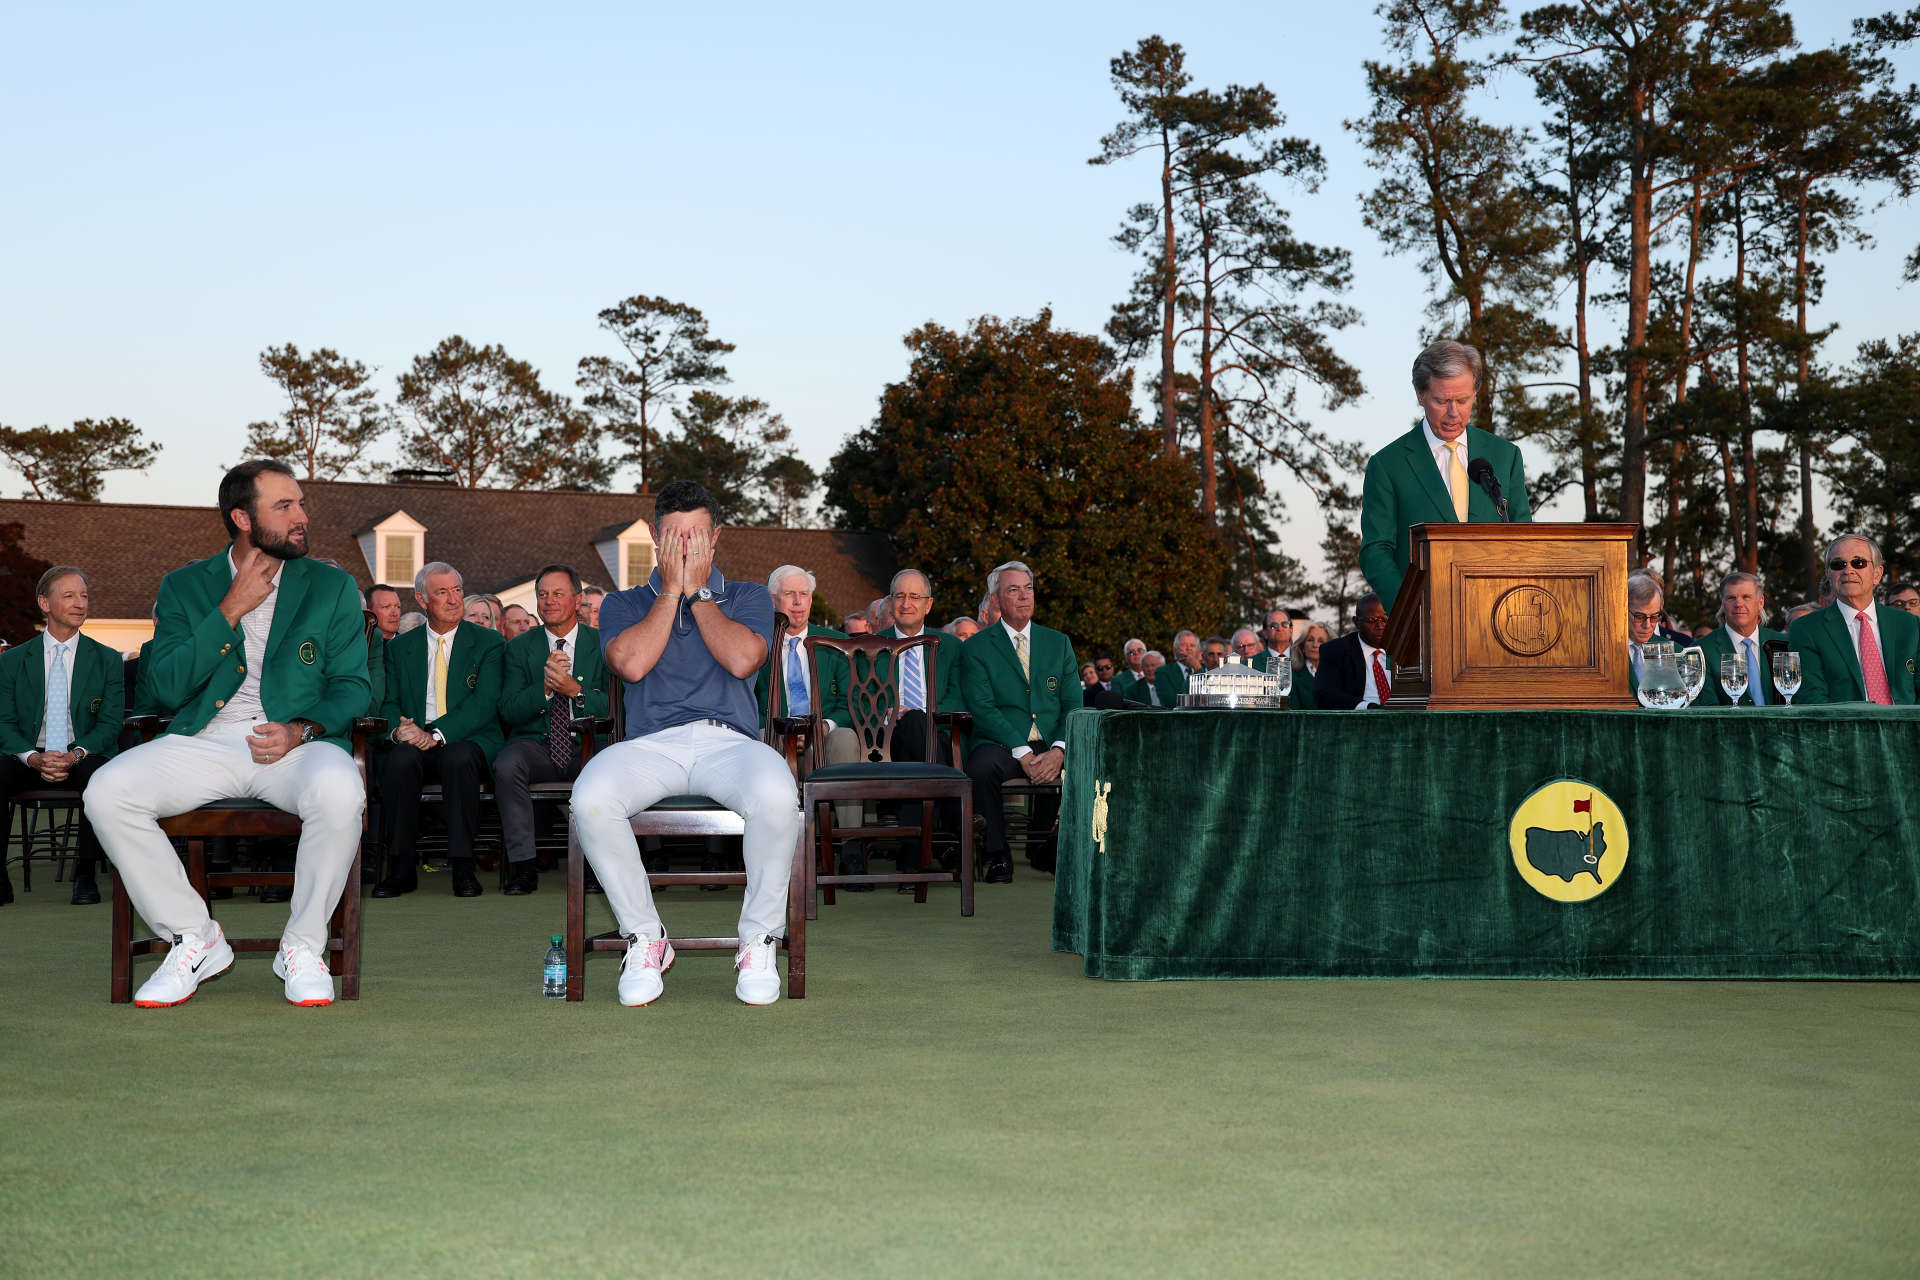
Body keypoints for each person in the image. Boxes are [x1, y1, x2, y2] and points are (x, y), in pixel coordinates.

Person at [85, 460, 371, 1007]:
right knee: (106, 791)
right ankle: (195, 936)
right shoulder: (184, 586)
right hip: (204, 741)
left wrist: (301, 729)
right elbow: (163, 689)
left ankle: (304, 946)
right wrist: (230, 609)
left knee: (342, 791)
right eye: (284, 507)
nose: (301, 516)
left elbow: (354, 687)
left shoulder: (331, 586)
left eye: (301, 503)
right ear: (242, 517)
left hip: (295, 745)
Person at [571, 479, 800, 1006]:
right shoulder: (626, 602)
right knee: (590, 798)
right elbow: (631, 664)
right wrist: (672, 591)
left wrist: (697, 594)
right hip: (651, 745)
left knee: (777, 794)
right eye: (674, 537)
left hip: (731, 744)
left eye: (695, 537)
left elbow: (743, 660)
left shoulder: (745, 595)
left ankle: (758, 940)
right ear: (655, 537)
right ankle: (646, 938)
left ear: (715, 539)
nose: (685, 549)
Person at [1359, 340, 1531, 612]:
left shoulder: (1505, 455)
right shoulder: (1387, 465)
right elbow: (1375, 551)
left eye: (1463, 400)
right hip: (1423, 625)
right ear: (1420, 395)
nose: (1454, 413)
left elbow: (1524, 537)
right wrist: (1410, 609)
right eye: (1442, 401)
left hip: (1499, 618)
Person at [373, 562, 505, 899]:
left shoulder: (488, 643)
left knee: (458, 758)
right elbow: (388, 701)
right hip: (415, 735)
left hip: (467, 737)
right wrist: (400, 731)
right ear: (421, 599)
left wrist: (436, 734)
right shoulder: (401, 647)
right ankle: (401, 869)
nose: (453, 599)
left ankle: (463, 867)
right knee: (399, 760)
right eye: (442, 592)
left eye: (457, 590)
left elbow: (485, 702)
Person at [0, 566, 124, 907]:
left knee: (100, 779)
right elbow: (3, 722)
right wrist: (33, 757)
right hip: (27, 753)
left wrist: (75, 755)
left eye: (84, 595)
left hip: (82, 751)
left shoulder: (108, 660)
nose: (80, 603)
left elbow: (111, 724)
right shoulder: (12, 661)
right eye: (68, 595)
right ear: (44, 602)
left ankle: (84, 875)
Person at [492, 565, 609, 896]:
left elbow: (618, 706)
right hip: (536, 744)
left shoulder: (601, 644)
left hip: (588, 743)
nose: (549, 601)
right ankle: (523, 867)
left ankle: (596, 868)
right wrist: (544, 689)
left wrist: (576, 692)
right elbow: (509, 710)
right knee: (506, 764)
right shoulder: (519, 647)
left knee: (608, 768)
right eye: (542, 595)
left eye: (558, 593)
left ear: (577, 600)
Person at [959, 560, 1078, 883]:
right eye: (1014, 590)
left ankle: (1048, 849)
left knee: (1091, 765)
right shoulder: (976, 648)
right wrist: (1022, 752)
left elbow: (1072, 704)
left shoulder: (1059, 642)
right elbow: (982, 707)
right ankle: (998, 856)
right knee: (981, 768)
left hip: (1052, 740)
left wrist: (1059, 751)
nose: (1024, 596)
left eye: (1028, 589)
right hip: (1002, 741)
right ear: (996, 600)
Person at [754, 566, 859, 878]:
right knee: (755, 742)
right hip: (772, 730)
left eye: (804, 595)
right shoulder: (757, 644)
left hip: (824, 730)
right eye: (789, 594)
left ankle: (852, 848)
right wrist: (782, 729)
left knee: (847, 739)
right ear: (773, 599)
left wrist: (825, 725)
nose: (797, 602)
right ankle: (774, 851)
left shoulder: (836, 643)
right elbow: (749, 701)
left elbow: (851, 701)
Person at [876, 568, 967, 872]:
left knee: (919, 730)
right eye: (900, 595)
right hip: (888, 737)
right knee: (914, 727)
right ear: (890, 602)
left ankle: (914, 856)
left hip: (938, 732)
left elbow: (959, 694)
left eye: (915, 596)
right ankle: (957, 817)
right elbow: (863, 697)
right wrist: (888, 711)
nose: (906, 603)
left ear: (928, 604)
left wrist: (927, 716)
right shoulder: (872, 646)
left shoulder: (950, 646)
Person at [1788, 533, 1920, 705]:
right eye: (1838, 564)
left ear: (1877, 574)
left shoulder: (1910, 625)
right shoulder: (1806, 629)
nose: (1848, 570)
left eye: (1859, 563)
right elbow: (1811, 698)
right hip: (1842, 729)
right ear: (1828, 574)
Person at [1694, 572, 1788, 706]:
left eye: (1746, 597)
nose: (1738, 604)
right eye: (1731, 598)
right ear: (1723, 604)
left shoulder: (1784, 644)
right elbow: (1707, 709)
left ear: (1760, 603)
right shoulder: (1701, 651)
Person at [1315, 595, 1392, 710]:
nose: (1380, 626)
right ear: (1356, 622)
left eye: (1384, 620)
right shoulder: (1336, 650)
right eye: (1371, 620)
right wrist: (1368, 707)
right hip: (1358, 721)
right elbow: (1325, 694)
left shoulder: (1403, 650)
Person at [1627, 572, 1665, 691]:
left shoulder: (1675, 652)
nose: (1647, 625)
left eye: (1654, 617)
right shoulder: (1602, 653)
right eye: (1639, 617)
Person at [1154, 630, 1202, 704]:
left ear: (1198, 651)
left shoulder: (1206, 669)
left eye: (1192, 645)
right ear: (1174, 650)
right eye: (1183, 645)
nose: (1189, 648)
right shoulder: (1163, 672)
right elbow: (1171, 701)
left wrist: (1198, 669)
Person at [1290, 623, 1331, 710]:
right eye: (1310, 640)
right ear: (1302, 646)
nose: (1315, 645)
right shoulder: (1292, 677)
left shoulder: (1340, 674)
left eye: (1321, 641)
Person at [1111, 638, 1149, 703]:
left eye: (1139, 650)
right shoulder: (1117, 680)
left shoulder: (1156, 675)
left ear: (1146, 653)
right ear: (1126, 658)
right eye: (1131, 652)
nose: (1136, 653)